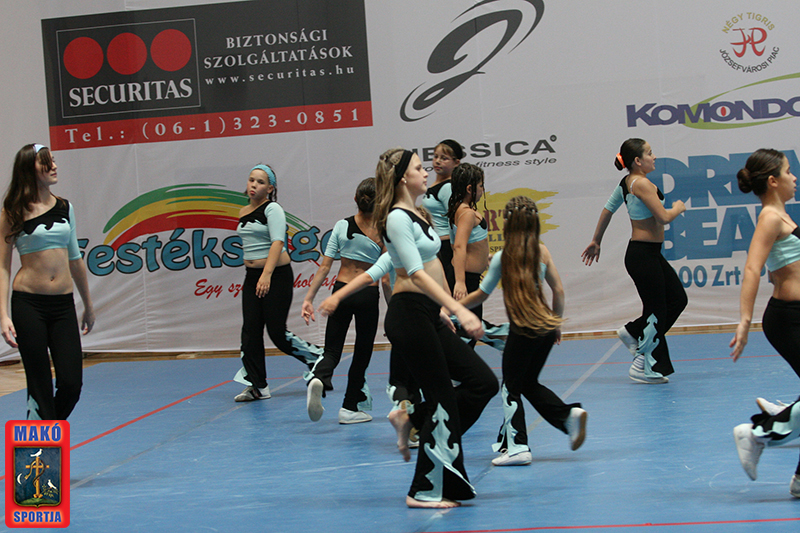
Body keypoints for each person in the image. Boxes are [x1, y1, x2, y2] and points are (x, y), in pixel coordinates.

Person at [372, 147, 498, 508]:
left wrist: (441, 309)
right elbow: (414, 273)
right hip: (409, 316)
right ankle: (423, 489)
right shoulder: (397, 218)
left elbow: (433, 266)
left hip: (428, 312)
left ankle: (412, 418)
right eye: (418, 167)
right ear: (402, 178)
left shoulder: (418, 212)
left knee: (483, 383)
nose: (426, 171)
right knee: (443, 399)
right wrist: (459, 309)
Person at [460, 196, 587, 465]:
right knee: (528, 383)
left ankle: (518, 448)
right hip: (546, 328)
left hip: (523, 329)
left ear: (508, 223)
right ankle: (567, 416)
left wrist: (453, 307)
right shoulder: (542, 251)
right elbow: (559, 291)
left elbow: (481, 295)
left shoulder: (503, 258)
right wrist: (556, 324)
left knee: (511, 387)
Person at [0, 144, 95, 420]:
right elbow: (3, 267)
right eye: (46, 162)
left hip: (63, 306)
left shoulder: (65, 207)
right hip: (29, 304)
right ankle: (43, 440)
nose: (54, 166)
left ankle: (42, 428)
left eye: (53, 160)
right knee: (39, 385)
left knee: (71, 384)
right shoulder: (13, 212)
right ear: (29, 169)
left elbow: (75, 259)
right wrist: (3, 315)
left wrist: (88, 306)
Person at [581, 138, 687, 384]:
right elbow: (663, 217)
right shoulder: (642, 184)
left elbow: (607, 210)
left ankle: (633, 332)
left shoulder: (627, 182)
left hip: (648, 254)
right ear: (638, 161)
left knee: (677, 299)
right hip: (642, 255)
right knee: (656, 311)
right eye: (650, 153)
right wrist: (678, 208)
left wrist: (597, 240)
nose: (654, 157)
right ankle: (642, 365)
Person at [729, 148, 800, 498]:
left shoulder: (782, 215)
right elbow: (753, 268)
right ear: (773, 181)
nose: (794, 178)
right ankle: (757, 434)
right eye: (788, 172)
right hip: (788, 320)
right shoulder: (770, 218)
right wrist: (744, 321)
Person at [233, 164, 322, 402]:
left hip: (276, 276)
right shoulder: (243, 211)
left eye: (260, 182)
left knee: (276, 332)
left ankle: (317, 357)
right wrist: (258, 274)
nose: (254, 185)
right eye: (252, 180)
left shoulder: (273, 209)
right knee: (250, 331)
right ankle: (257, 385)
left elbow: (277, 242)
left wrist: (267, 274)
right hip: (252, 276)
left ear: (270, 188)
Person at [302, 178, 384, 424]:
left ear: (355, 199)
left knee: (332, 350)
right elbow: (387, 278)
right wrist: (394, 309)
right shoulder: (384, 229)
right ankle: (349, 407)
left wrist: (309, 298)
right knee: (362, 352)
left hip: (341, 291)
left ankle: (319, 376)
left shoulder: (341, 225)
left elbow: (324, 267)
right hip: (367, 293)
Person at [421, 139, 463, 292]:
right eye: (435, 156)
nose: (438, 161)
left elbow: (458, 220)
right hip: (437, 245)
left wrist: (456, 252)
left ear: (456, 162)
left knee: (447, 293)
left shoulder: (447, 188)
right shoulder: (435, 186)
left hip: (446, 248)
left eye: (444, 158)